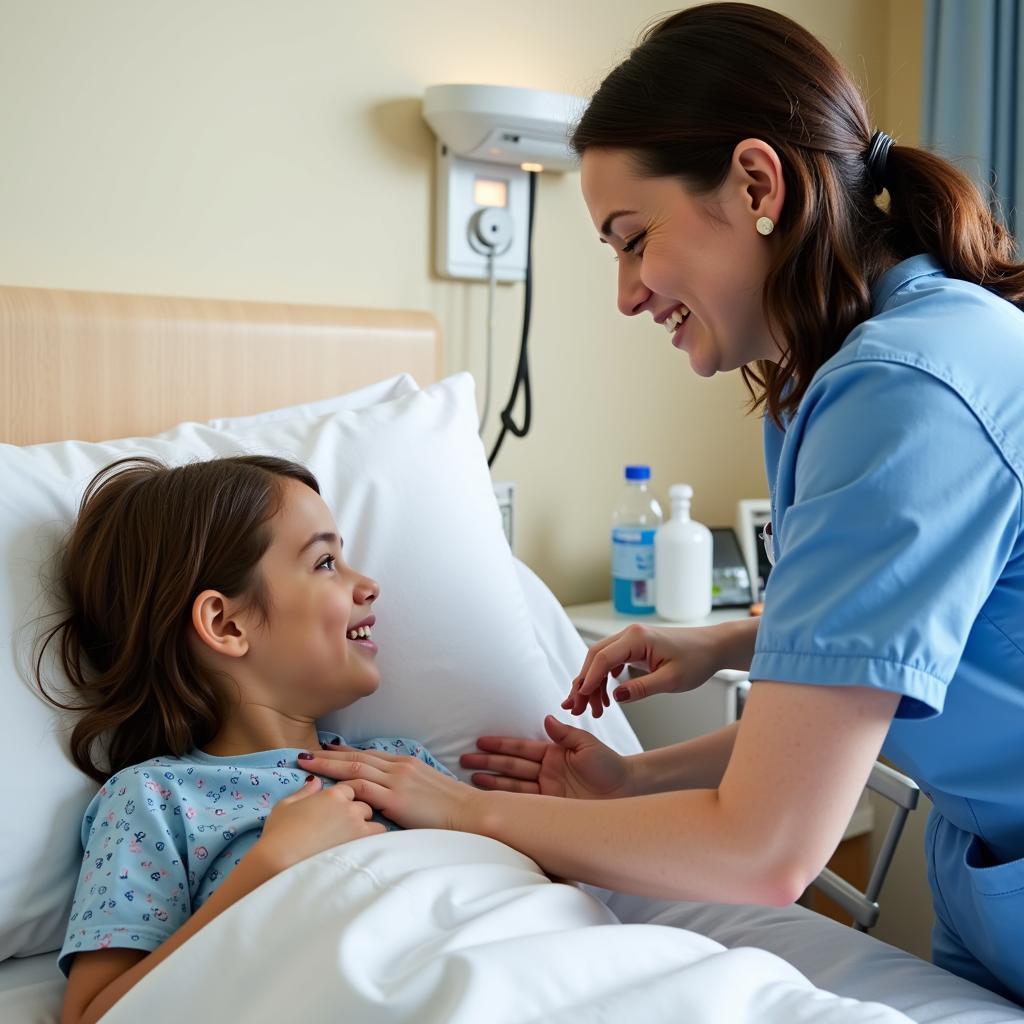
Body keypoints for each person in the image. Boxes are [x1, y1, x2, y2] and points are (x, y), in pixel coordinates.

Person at [297, 2, 1024, 1006]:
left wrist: (467, 811)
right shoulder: (864, 366)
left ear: (757, 183)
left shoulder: (904, 390)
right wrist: (701, 691)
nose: (627, 293)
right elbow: (883, 683)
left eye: (632, 239)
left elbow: (766, 847)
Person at [40, 455, 456, 1024]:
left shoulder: (406, 765)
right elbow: (92, 1016)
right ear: (227, 624)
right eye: (327, 561)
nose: (368, 584)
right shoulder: (157, 799)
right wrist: (273, 864)